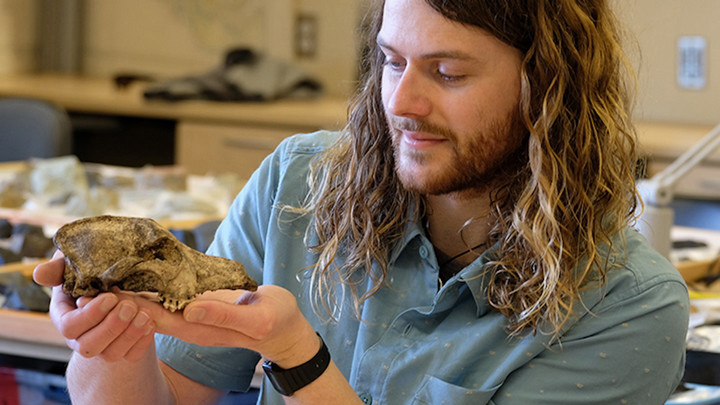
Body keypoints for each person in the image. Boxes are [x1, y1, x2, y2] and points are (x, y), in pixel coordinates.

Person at [33, 0, 689, 404]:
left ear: (546, 86)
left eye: (448, 73)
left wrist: (299, 358)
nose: (401, 102)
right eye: (391, 62)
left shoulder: (626, 304)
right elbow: (167, 394)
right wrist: (112, 342)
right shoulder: (299, 185)